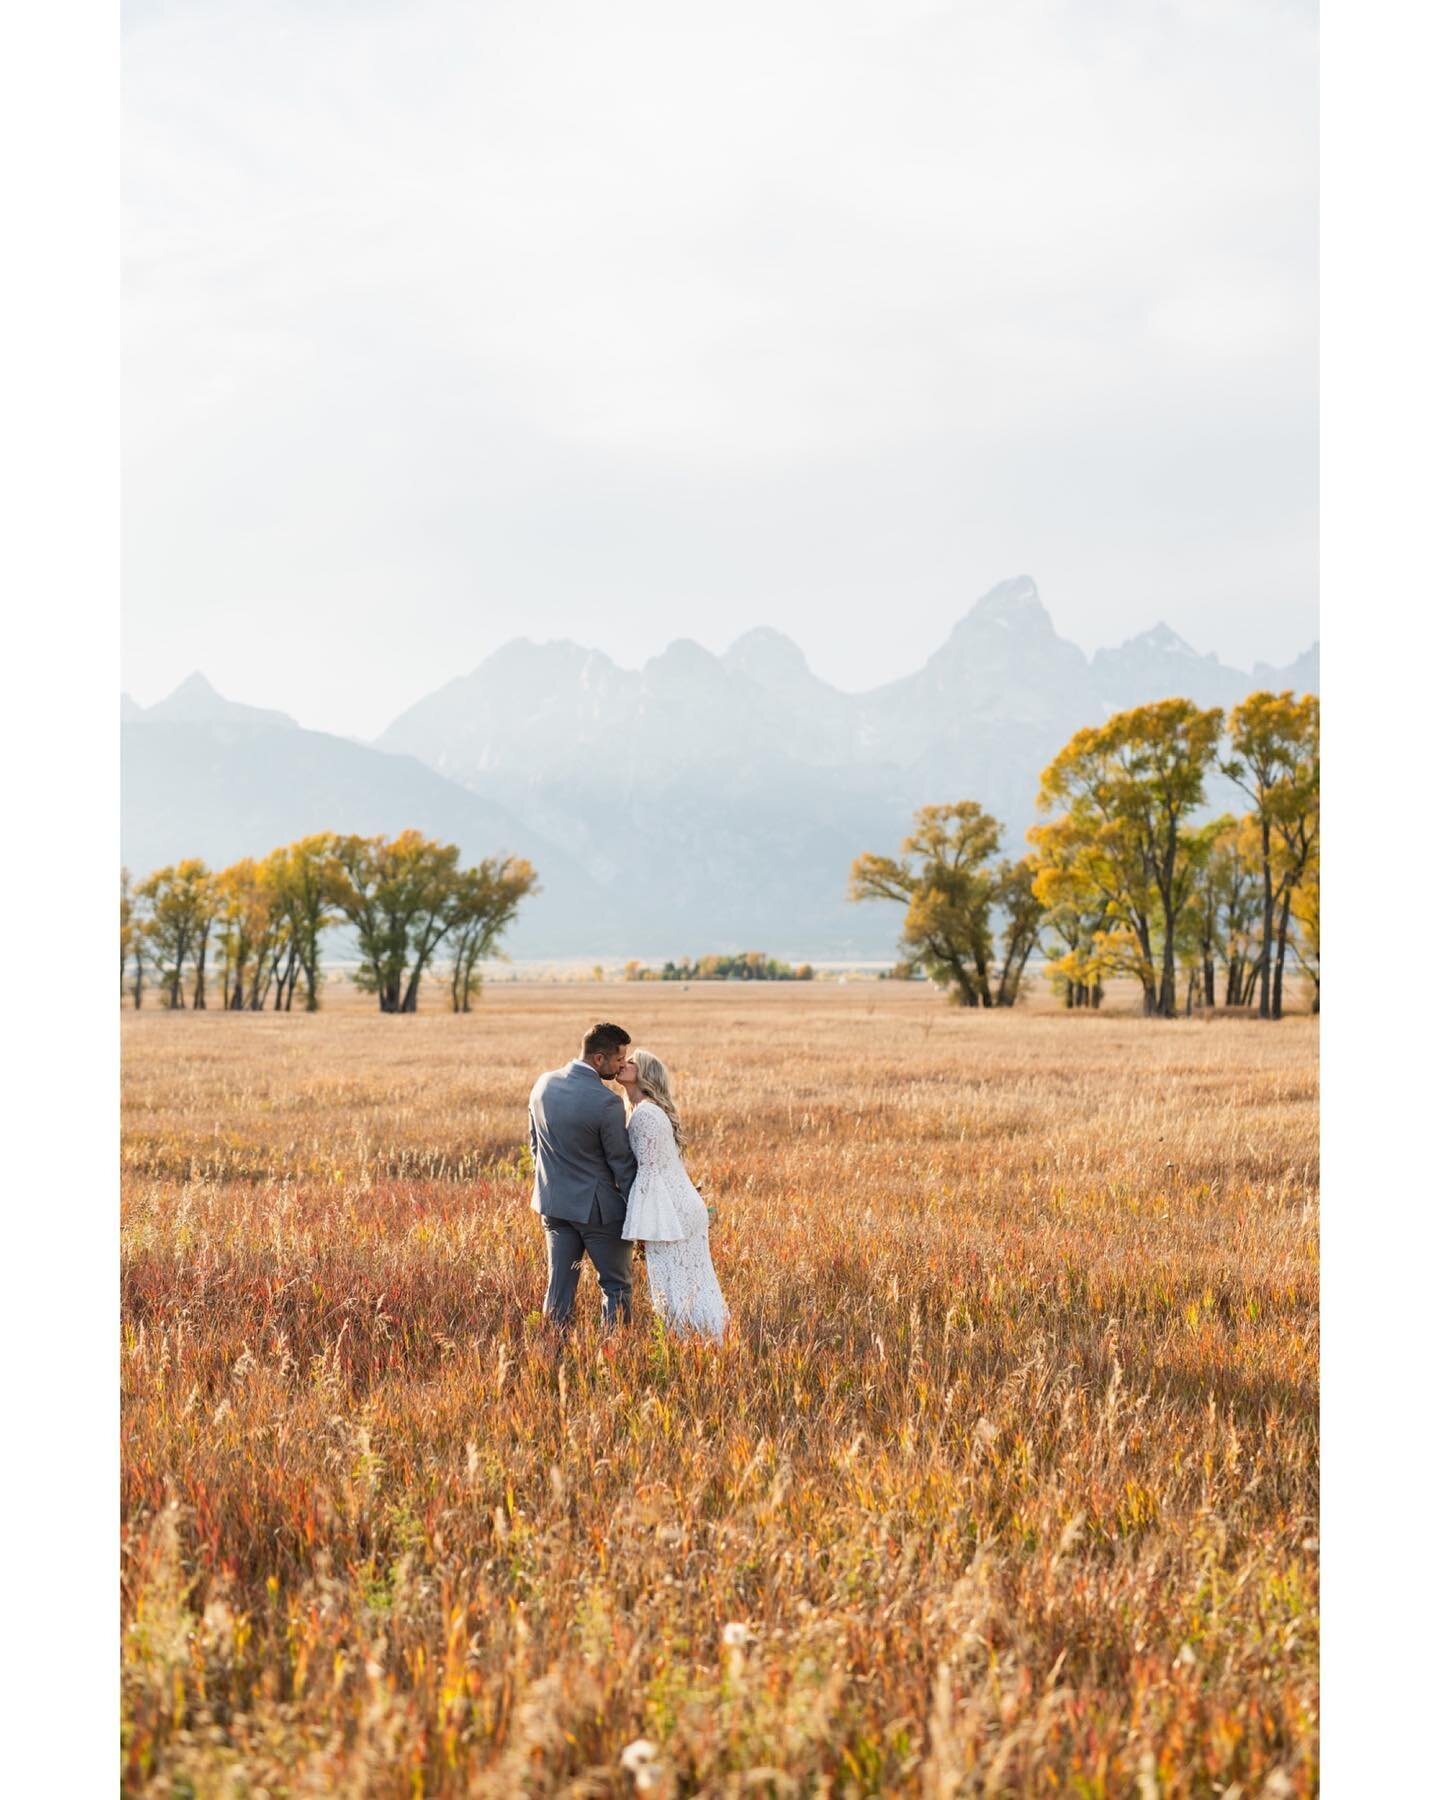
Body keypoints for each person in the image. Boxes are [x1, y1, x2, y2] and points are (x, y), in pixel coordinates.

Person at [528, 1022, 638, 1331]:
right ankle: (614, 1357)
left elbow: (535, 1146)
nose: (621, 1066)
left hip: (553, 1205)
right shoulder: (606, 1103)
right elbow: (622, 1166)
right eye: (618, 1060)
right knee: (616, 1286)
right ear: (599, 1059)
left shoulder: (543, 1085)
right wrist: (639, 1213)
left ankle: (554, 1354)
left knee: (559, 1289)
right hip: (599, 1212)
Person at [616, 1048, 729, 1342]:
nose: (623, 1064)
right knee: (694, 1278)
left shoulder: (645, 1115)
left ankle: (691, 1341)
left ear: (643, 1075)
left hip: (672, 1212)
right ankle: (711, 1338)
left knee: (673, 1281)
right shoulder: (647, 1110)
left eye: (631, 1062)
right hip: (680, 1205)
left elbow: (649, 1173)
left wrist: (638, 1226)